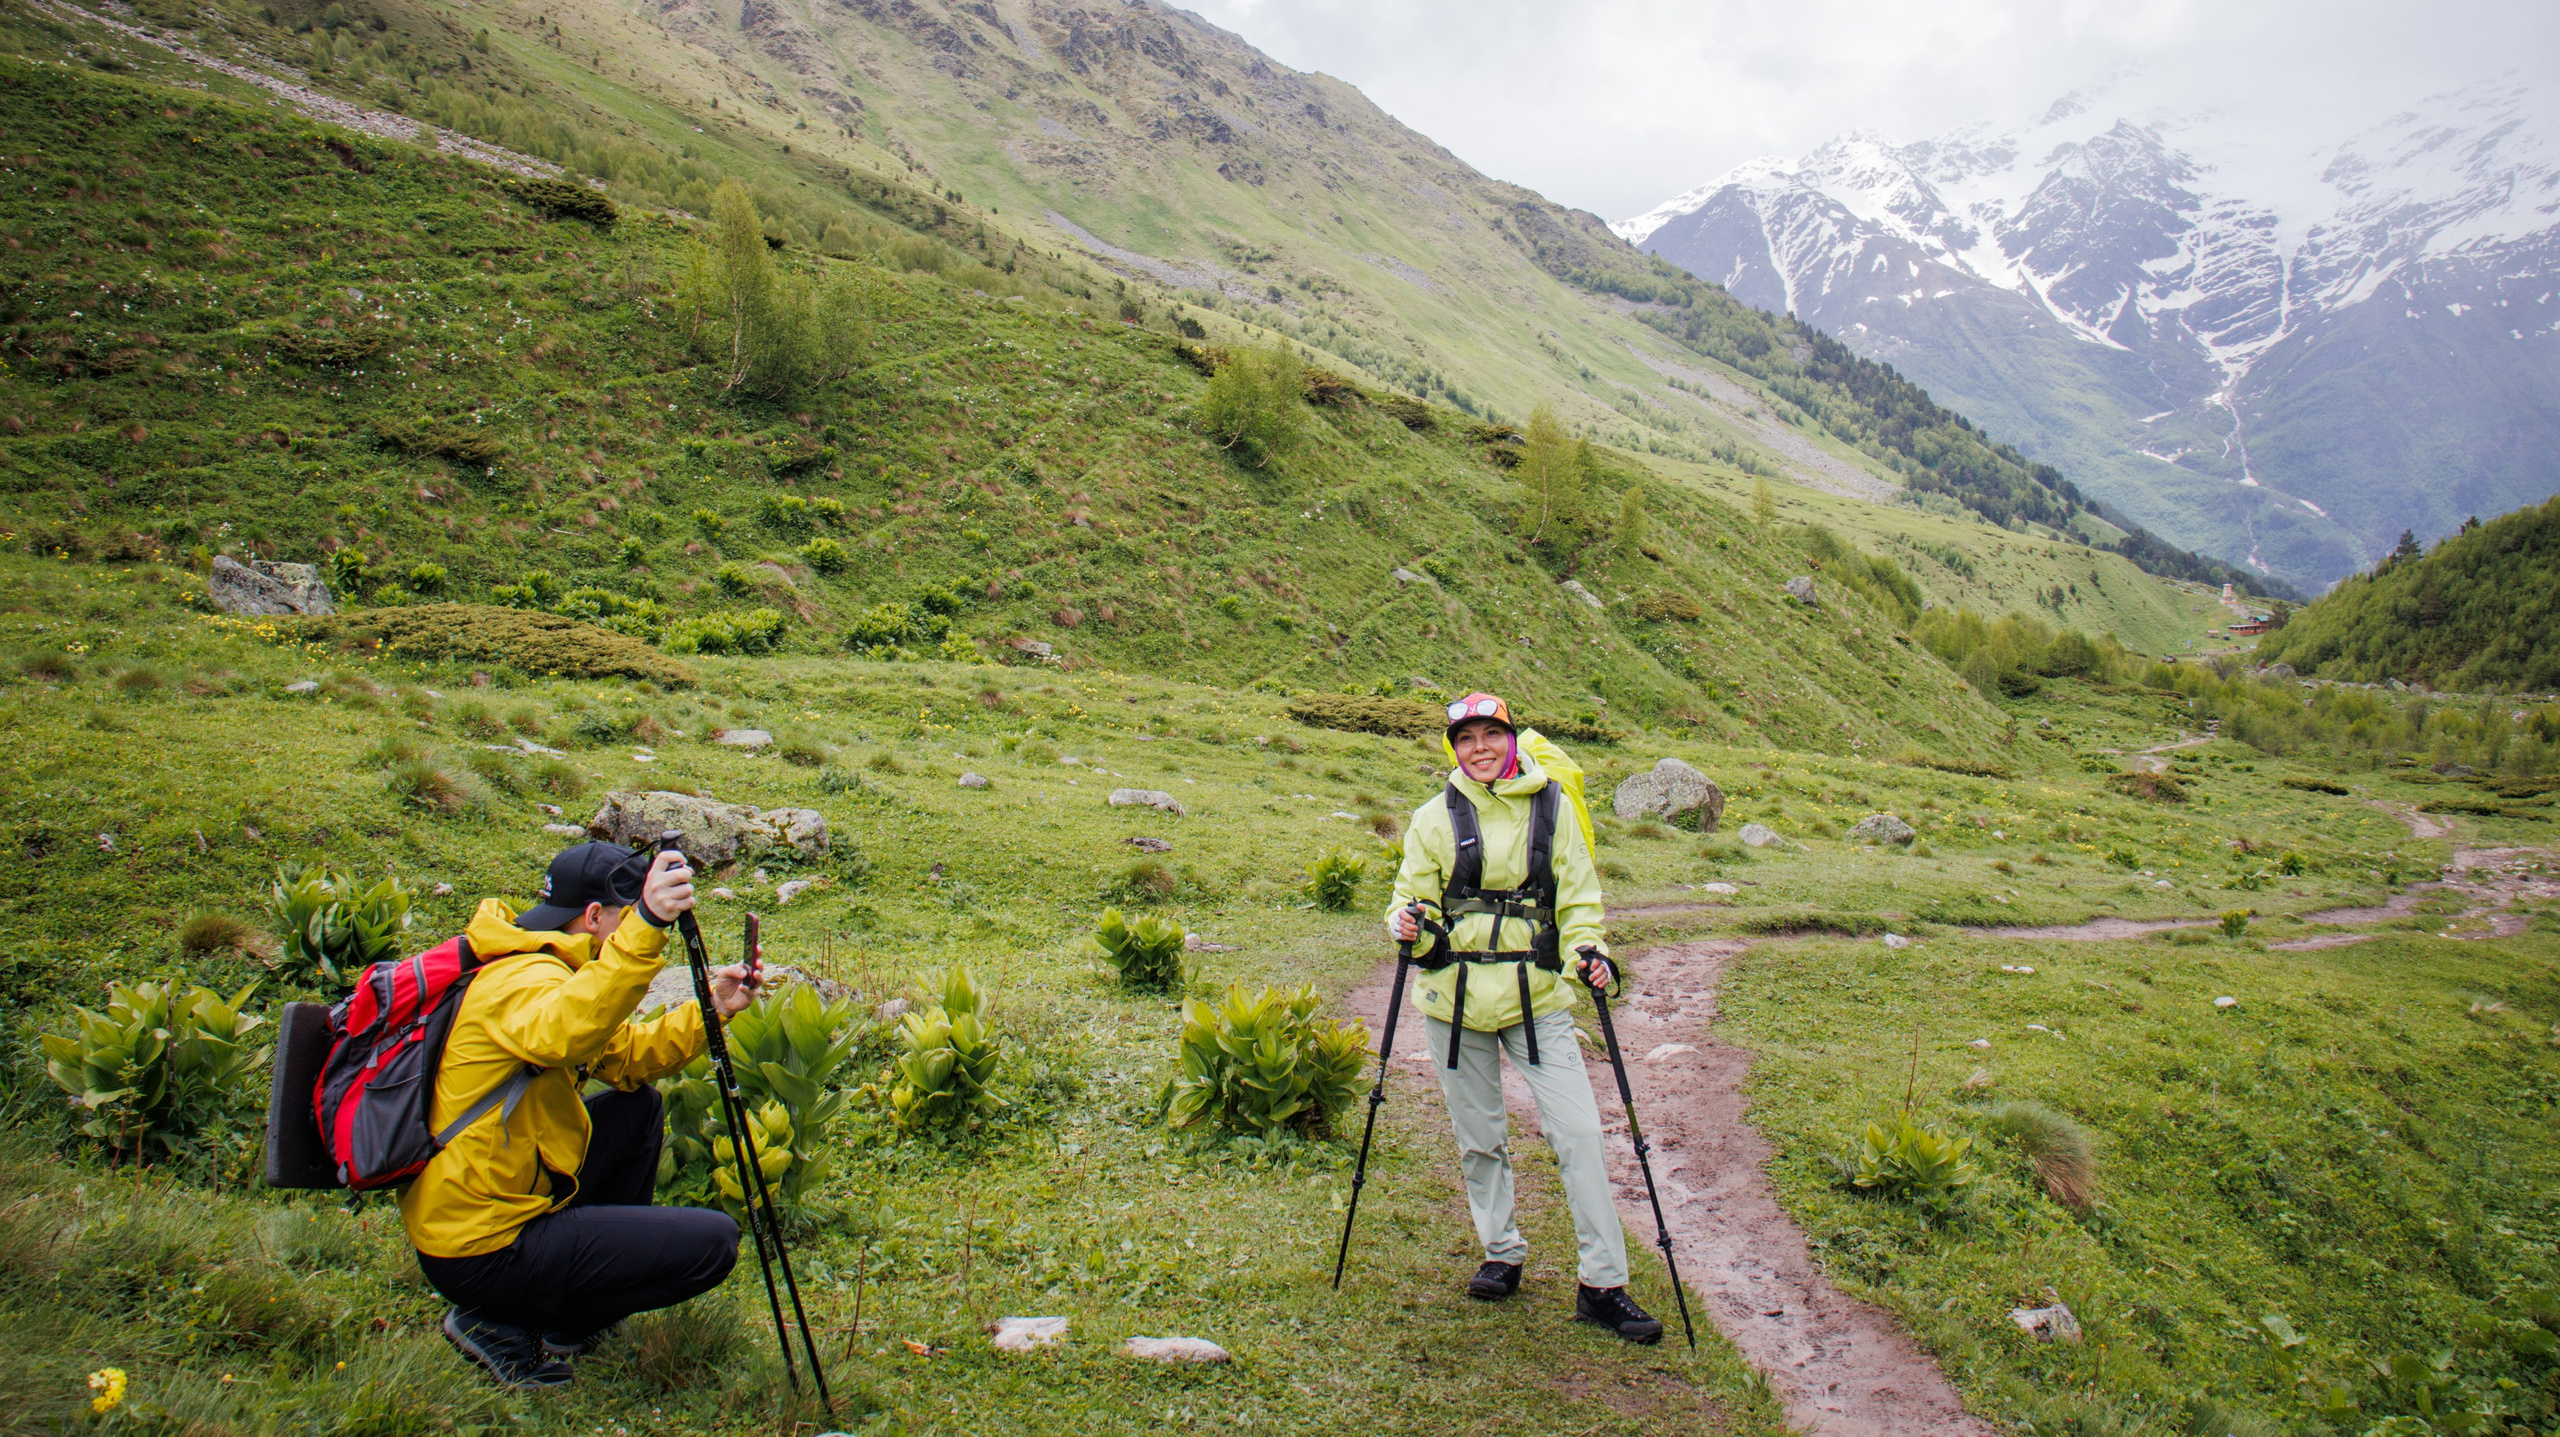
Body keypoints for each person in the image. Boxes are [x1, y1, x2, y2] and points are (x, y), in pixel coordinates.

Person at [400, 839, 767, 1388]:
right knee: (713, 1244)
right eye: (622, 920)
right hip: (482, 1245)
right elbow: (569, 1031)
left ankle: (568, 1315)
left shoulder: (537, 967)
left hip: (498, 1201)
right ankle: (502, 1320)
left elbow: (624, 1057)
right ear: (595, 917)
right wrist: (649, 924)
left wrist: (712, 1009)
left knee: (638, 1106)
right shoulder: (520, 981)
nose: (625, 932)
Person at [1386, 692, 1666, 1343]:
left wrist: (1588, 950)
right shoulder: (1433, 818)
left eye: (1490, 734)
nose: (1478, 747)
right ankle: (1501, 1252)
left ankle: (1603, 1283)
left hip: (1538, 1001)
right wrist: (1407, 921)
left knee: (1580, 1135)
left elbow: (1579, 896)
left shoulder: (1553, 807)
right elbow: (1412, 898)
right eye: (1465, 738)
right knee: (1480, 1136)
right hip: (1454, 1004)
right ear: (1452, 748)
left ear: (1511, 739)